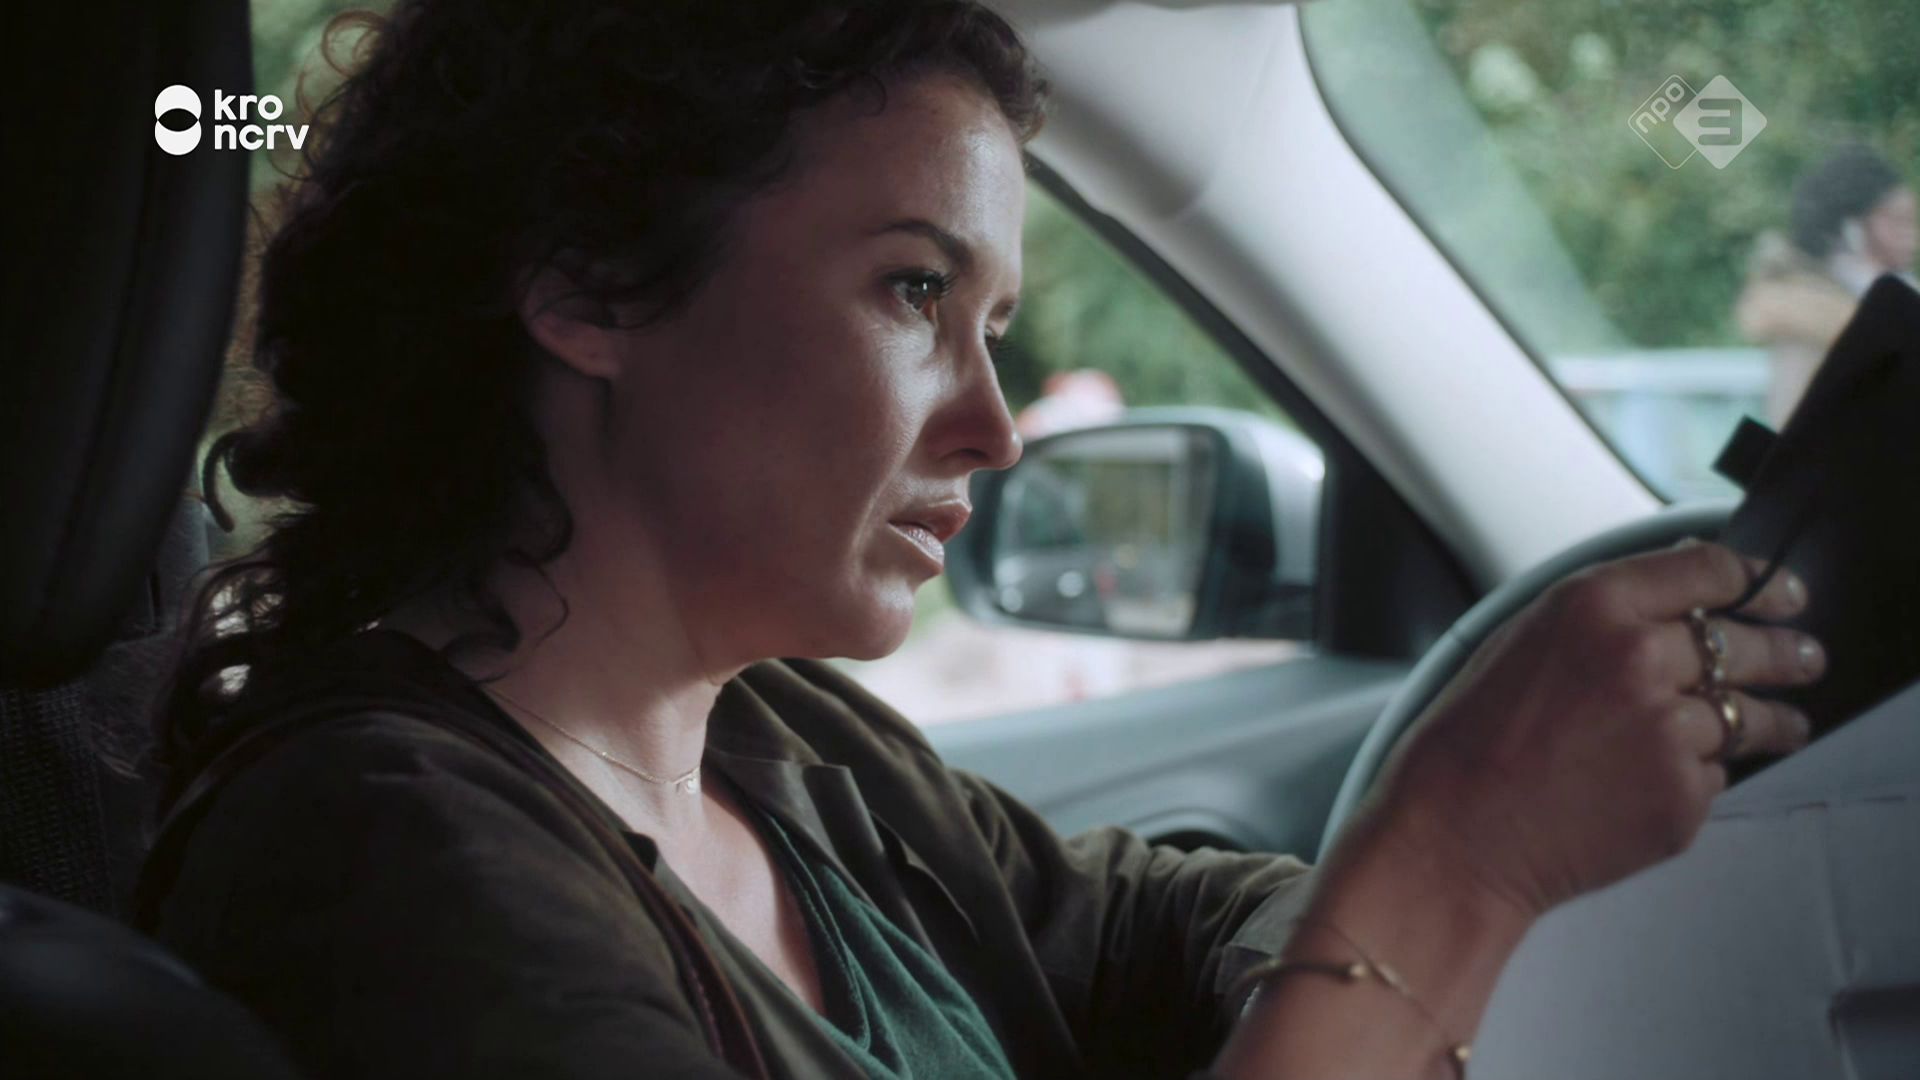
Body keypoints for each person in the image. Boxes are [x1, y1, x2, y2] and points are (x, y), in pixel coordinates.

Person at [141, 3, 1828, 1078]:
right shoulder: (381, 861)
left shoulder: (791, 752)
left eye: (994, 325)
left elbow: (1178, 916)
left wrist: (1354, 942)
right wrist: (1451, 868)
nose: (994, 428)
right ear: (587, 285)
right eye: (913, 292)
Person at [1736, 144, 1919, 424]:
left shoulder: (1880, 305)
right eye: (1897, 221)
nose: (1911, 238)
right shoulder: (1805, 317)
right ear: (1851, 229)